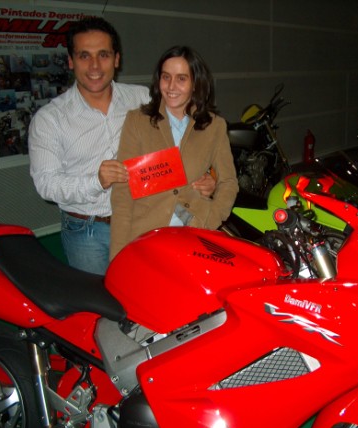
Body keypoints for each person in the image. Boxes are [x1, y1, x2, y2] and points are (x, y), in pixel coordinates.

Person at [28, 18, 215, 274]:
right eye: (84, 56)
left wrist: (204, 177)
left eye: (103, 55)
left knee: (150, 289)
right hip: (87, 231)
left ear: (116, 59)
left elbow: (185, 141)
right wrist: (96, 181)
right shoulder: (50, 119)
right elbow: (46, 184)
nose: (95, 66)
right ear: (71, 61)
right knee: (98, 296)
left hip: (145, 219)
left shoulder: (143, 99)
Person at [110, 45, 239, 259]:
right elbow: (123, 192)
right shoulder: (137, 121)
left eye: (181, 78)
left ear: (195, 83)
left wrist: (211, 218)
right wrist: (119, 255)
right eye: (166, 77)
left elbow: (229, 181)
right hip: (146, 235)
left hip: (194, 234)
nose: (171, 86)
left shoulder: (214, 126)